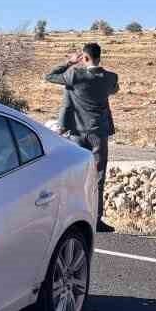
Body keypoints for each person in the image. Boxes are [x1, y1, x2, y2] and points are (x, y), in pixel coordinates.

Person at [44, 42, 119, 231]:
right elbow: (114, 89)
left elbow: (49, 76)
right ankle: (96, 219)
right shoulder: (110, 77)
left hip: (77, 133)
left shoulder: (75, 75)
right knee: (98, 176)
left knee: (76, 176)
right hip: (98, 133)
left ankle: (71, 218)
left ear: (84, 58)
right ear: (100, 57)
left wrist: (69, 62)